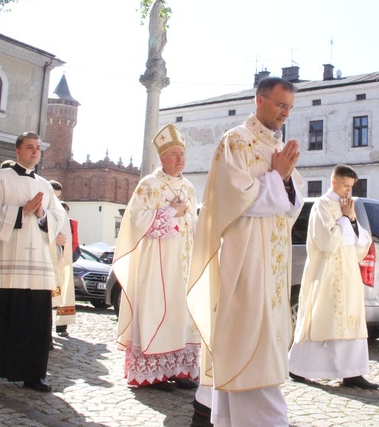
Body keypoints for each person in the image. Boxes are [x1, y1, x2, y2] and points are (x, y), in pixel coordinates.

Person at [188, 77, 304, 426]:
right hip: (246, 260)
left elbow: (291, 205)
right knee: (248, 344)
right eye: (280, 105)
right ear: (260, 100)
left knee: (264, 343)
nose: (285, 113)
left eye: (289, 108)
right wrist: (277, 176)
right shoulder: (235, 141)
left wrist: (283, 178)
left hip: (272, 263)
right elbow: (234, 197)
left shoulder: (277, 147)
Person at [0, 132, 66, 393]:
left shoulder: (44, 185)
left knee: (35, 319)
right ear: (18, 151)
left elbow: (58, 218)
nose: (35, 152)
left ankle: (34, 374)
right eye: (29, 147)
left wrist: (42, 214)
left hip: (36, 266)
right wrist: (23, 212)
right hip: (4, 263)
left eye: (38, 148)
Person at [113, 123, 200, 392]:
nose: (180, 159)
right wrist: (169, 212)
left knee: (182, 313)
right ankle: (155, 372)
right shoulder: (148, 185)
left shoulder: (188, 187)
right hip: (156, 263)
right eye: (174, 154)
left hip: (183, 263)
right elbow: (134, 222)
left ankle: (180, 369)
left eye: (182, 154)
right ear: (161, 158)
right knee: (158, 311)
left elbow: (193, 222)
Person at [288, 164, 378, 389]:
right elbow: (326, 242)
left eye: (351, 187)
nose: (348, 191)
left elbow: (359, 244)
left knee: (352, 319)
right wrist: (346, 220)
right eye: (345, 185)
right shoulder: (322, 205)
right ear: (334, 182)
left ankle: (352, 373)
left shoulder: (348, 206)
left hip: (349, 272)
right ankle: (299, 368)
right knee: (322, 316)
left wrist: (352, 221)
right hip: (327, 272)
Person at [48, 180, 76, 336]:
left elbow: (65, 236)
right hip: (42, 259)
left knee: (59, 291)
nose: (56, 201)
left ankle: (60, 326)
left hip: (57, 258)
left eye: (58, 197)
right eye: (54, 196)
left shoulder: (60, 210)